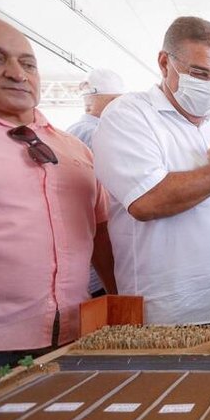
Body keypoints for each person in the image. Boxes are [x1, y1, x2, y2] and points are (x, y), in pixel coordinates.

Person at [92, 16, 210, 326]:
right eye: (199, 73)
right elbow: (148, 200)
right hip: (169, 313)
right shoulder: (130, 115)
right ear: (165, 63)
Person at [0, 16, 116, 380]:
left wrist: (117, 303)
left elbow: (100, 233)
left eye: (28, 64)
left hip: (76, 335)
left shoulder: (73, 148)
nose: (17, 74)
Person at [67, 68, 126, 297]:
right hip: (100, 252)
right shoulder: (98, 133)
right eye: (116, 101)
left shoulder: (71, 132)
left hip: (83, 252)